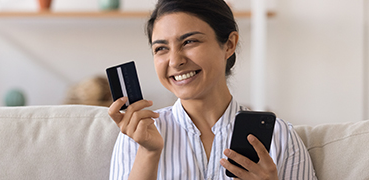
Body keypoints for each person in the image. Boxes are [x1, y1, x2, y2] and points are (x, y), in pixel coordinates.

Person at [108, 0, 317, 179]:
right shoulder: (137, 137)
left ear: (229, 45)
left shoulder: (281, 138)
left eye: (189, 41)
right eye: (161, 48)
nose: (175, 60)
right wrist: (149, 153)